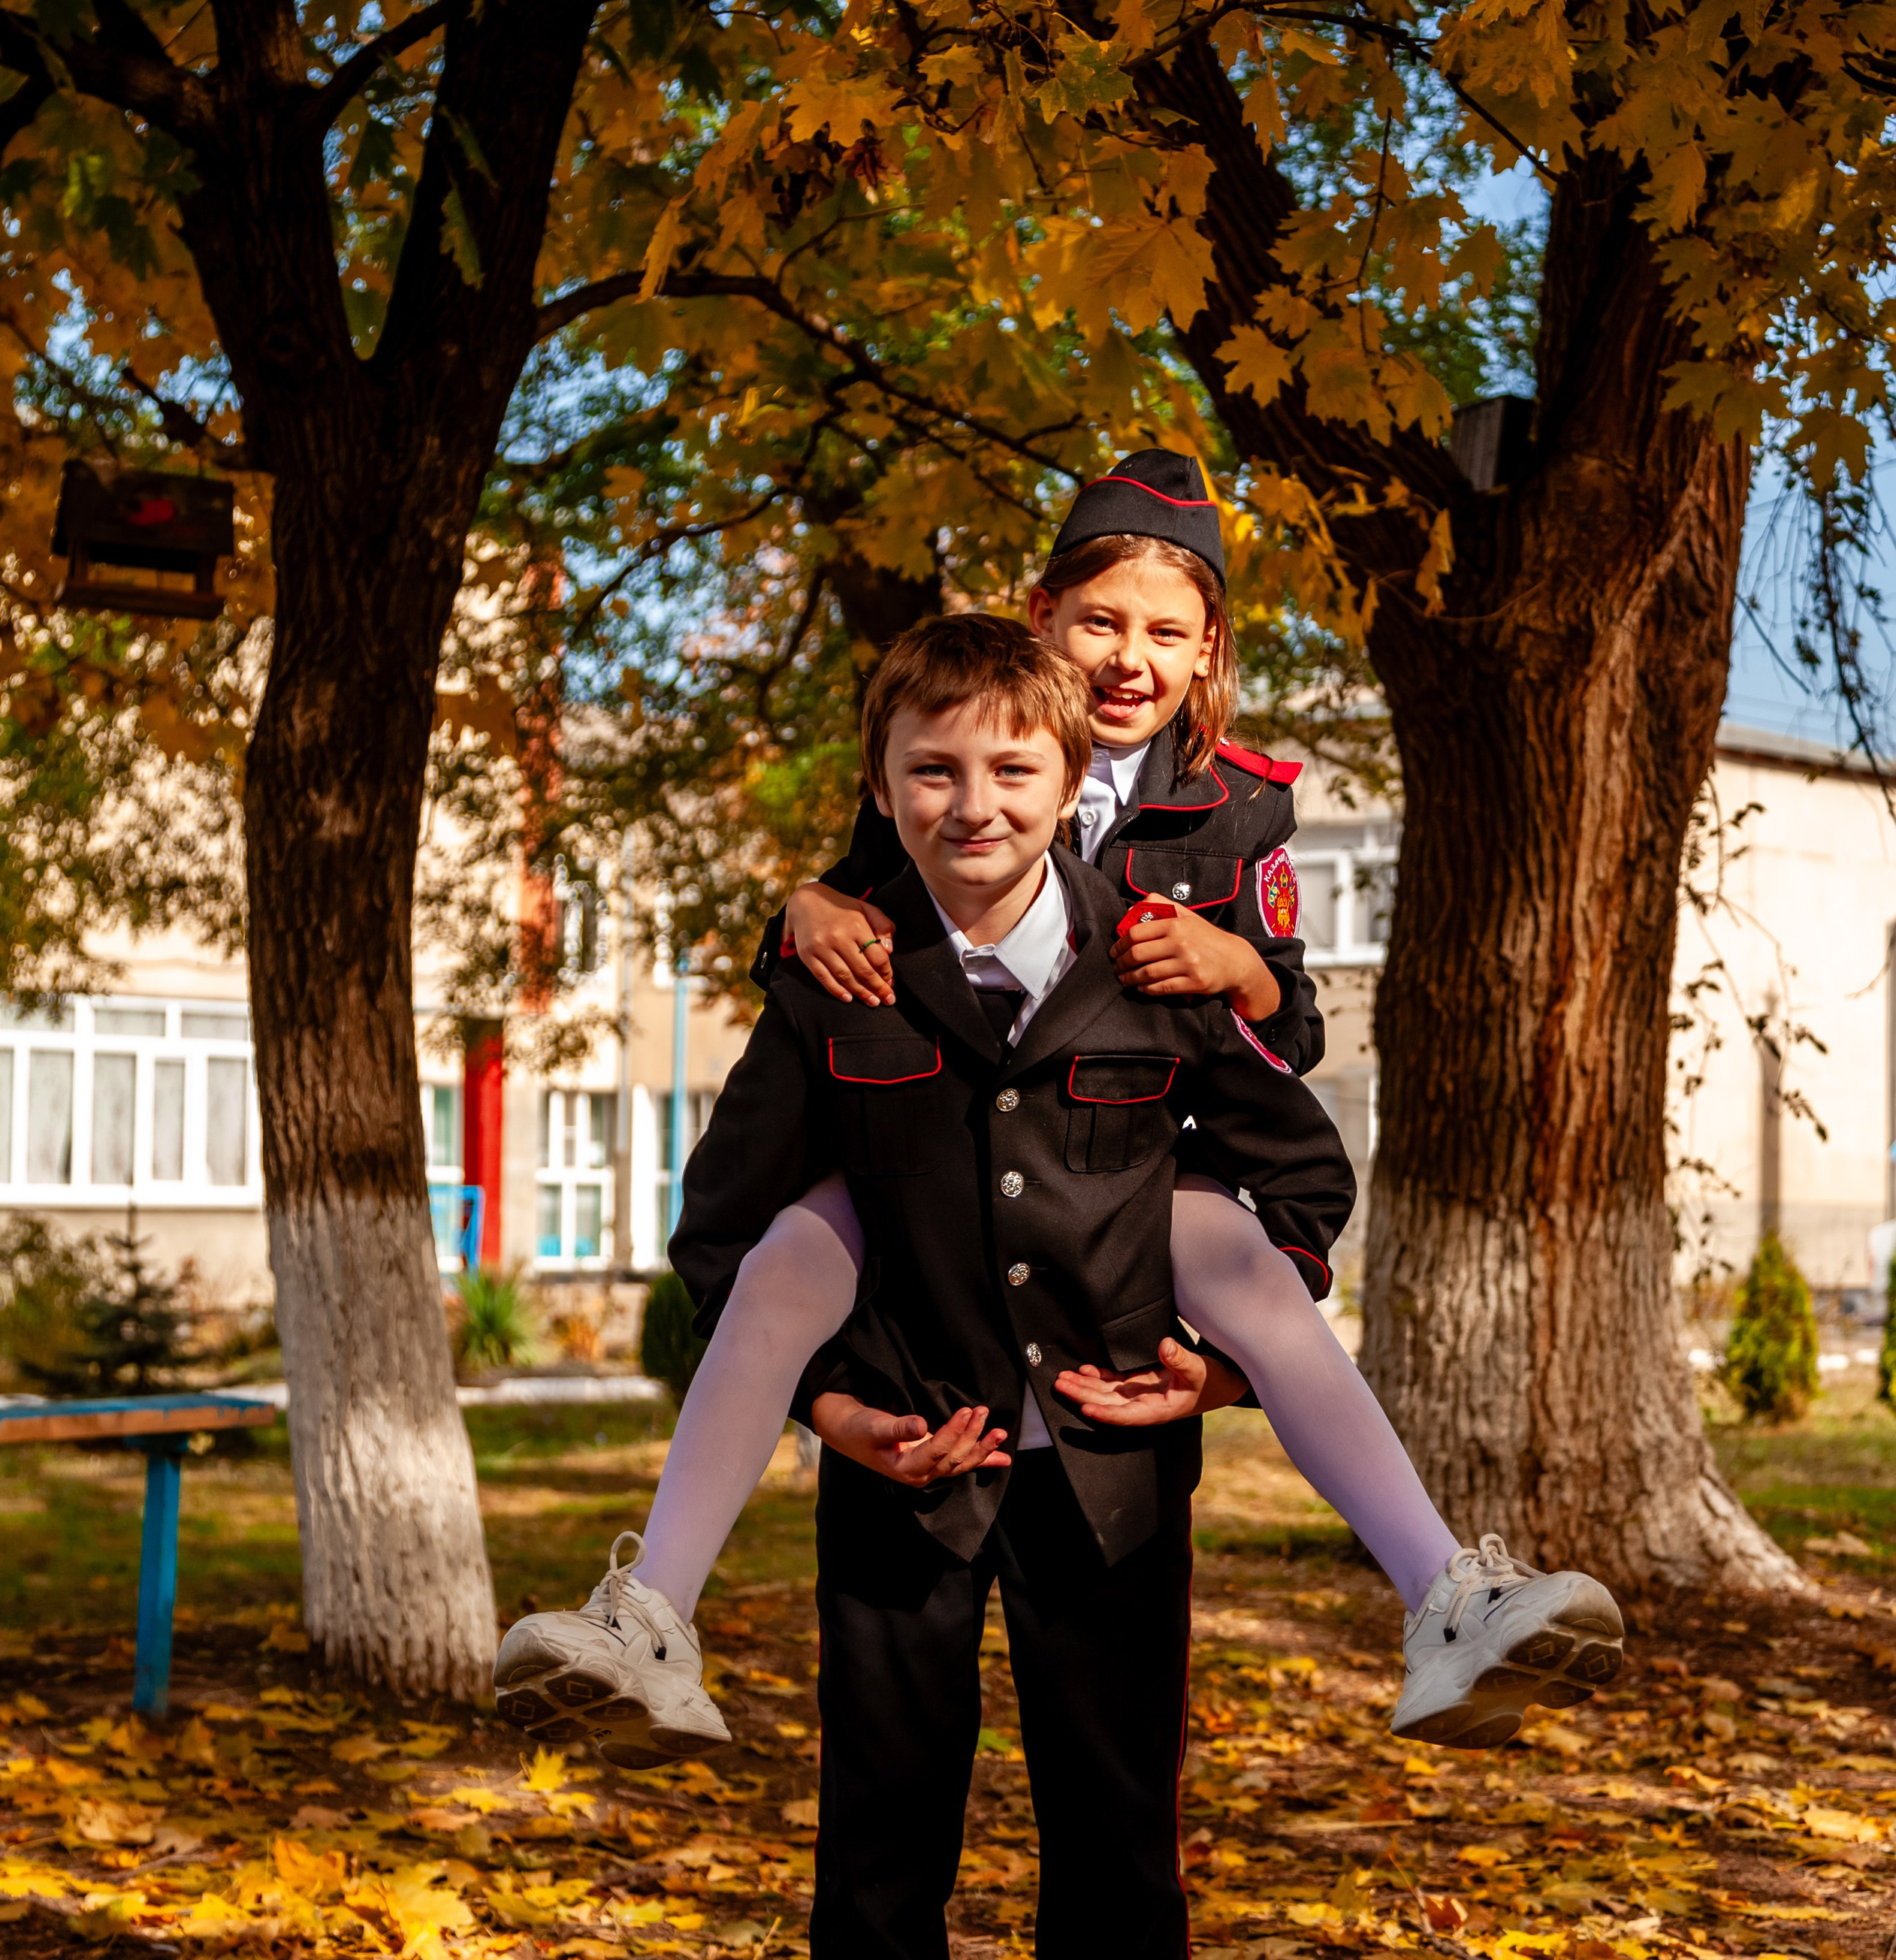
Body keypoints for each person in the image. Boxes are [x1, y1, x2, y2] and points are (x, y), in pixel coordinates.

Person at [494, 458, 1626, 1759]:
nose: (1128, 656)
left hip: (1128, 1170)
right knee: (789, 1251)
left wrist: (1236, 967)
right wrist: (793, 913)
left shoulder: (1243, 803)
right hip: (929, 1182)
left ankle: (1446, 1594)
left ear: (1208, 655)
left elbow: (1286, 1035)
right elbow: (861, 906)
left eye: (1164, 632)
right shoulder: (963, 736)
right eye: (1099, 622)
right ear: (1043, 616)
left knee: (1246, 1264)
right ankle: (650, 1618)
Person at [690, 613, 1355, 1960]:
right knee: (878, 1862)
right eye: (930, 768)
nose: (968, 799)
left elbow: (1298, 1177)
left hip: (1110, 1497)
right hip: (907, 1483)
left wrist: (1211, 1370)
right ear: (879, 786)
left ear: (1074, 789)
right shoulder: (838, 975)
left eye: (1008, 768)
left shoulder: (1152, 966)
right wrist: (833, 1408)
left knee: (1116, 1860)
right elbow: (723, 1234)